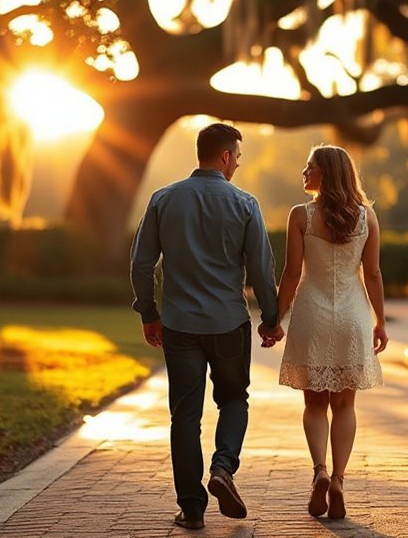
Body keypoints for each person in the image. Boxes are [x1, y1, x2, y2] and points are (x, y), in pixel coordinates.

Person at [130, 123, 284, 530]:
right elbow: (262, 271)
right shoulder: (245, 204)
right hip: (229, 323)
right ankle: (223, 468)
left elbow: (141, 265)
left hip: (179, 326)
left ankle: (192, 508)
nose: (237, 164)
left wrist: (149, 313)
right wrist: (271, 319)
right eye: (237, 156)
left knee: (185, 415)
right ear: (225, 156)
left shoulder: (163, 199)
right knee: (233, 400)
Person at [275, 145, 388, 520]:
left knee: (314, 404)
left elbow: (292, 274)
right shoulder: (366, 217)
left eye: (310, 168)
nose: (303, 173)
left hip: (312, 314)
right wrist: (380, 321)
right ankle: (339, 478)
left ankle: (319, 471)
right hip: (353, 316)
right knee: (345, 405)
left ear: (326, 173)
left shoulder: (301, 216)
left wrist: (276, 318)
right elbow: (372, 275)